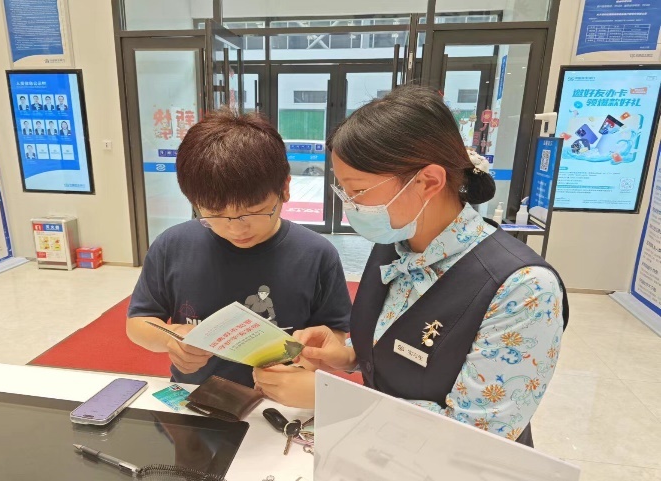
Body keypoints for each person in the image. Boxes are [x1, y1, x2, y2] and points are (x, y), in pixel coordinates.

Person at [253, 86, 568, 448]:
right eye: (343, 191)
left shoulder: (524, 288)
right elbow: (399, 336)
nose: (349, 206)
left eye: (358, 191)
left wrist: (332, 398)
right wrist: (350, 353)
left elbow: (483, 436)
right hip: (381, 451)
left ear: (428, 181)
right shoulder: (396, 243)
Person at [126, 109, 352, 387]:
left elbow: (335, 332)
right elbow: (139, 322)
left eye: (254, 211)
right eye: (215, 214)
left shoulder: (316, 254)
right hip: (195, 393)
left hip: (284, 399)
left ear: (285, 188)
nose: (236, 229)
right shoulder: (172, 246)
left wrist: (309, 361)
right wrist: (171, 339)